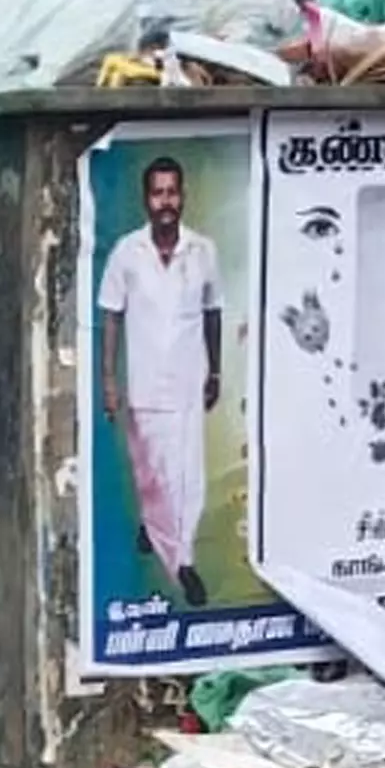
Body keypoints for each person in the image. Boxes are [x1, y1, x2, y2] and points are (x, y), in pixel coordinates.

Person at [94, 149, 224, 593]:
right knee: (153, 472)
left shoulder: (203, 251)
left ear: (182, 196)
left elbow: (213, 312)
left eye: (172, 193)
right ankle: (152, 526)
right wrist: (108, 381)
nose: (166, 201)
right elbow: (111, 315)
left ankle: (183, 562)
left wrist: (215, 373)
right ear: (145, 200)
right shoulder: (127, 253)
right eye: (157, 194)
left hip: (188, 383)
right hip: (145, 384)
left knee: (188, 477)